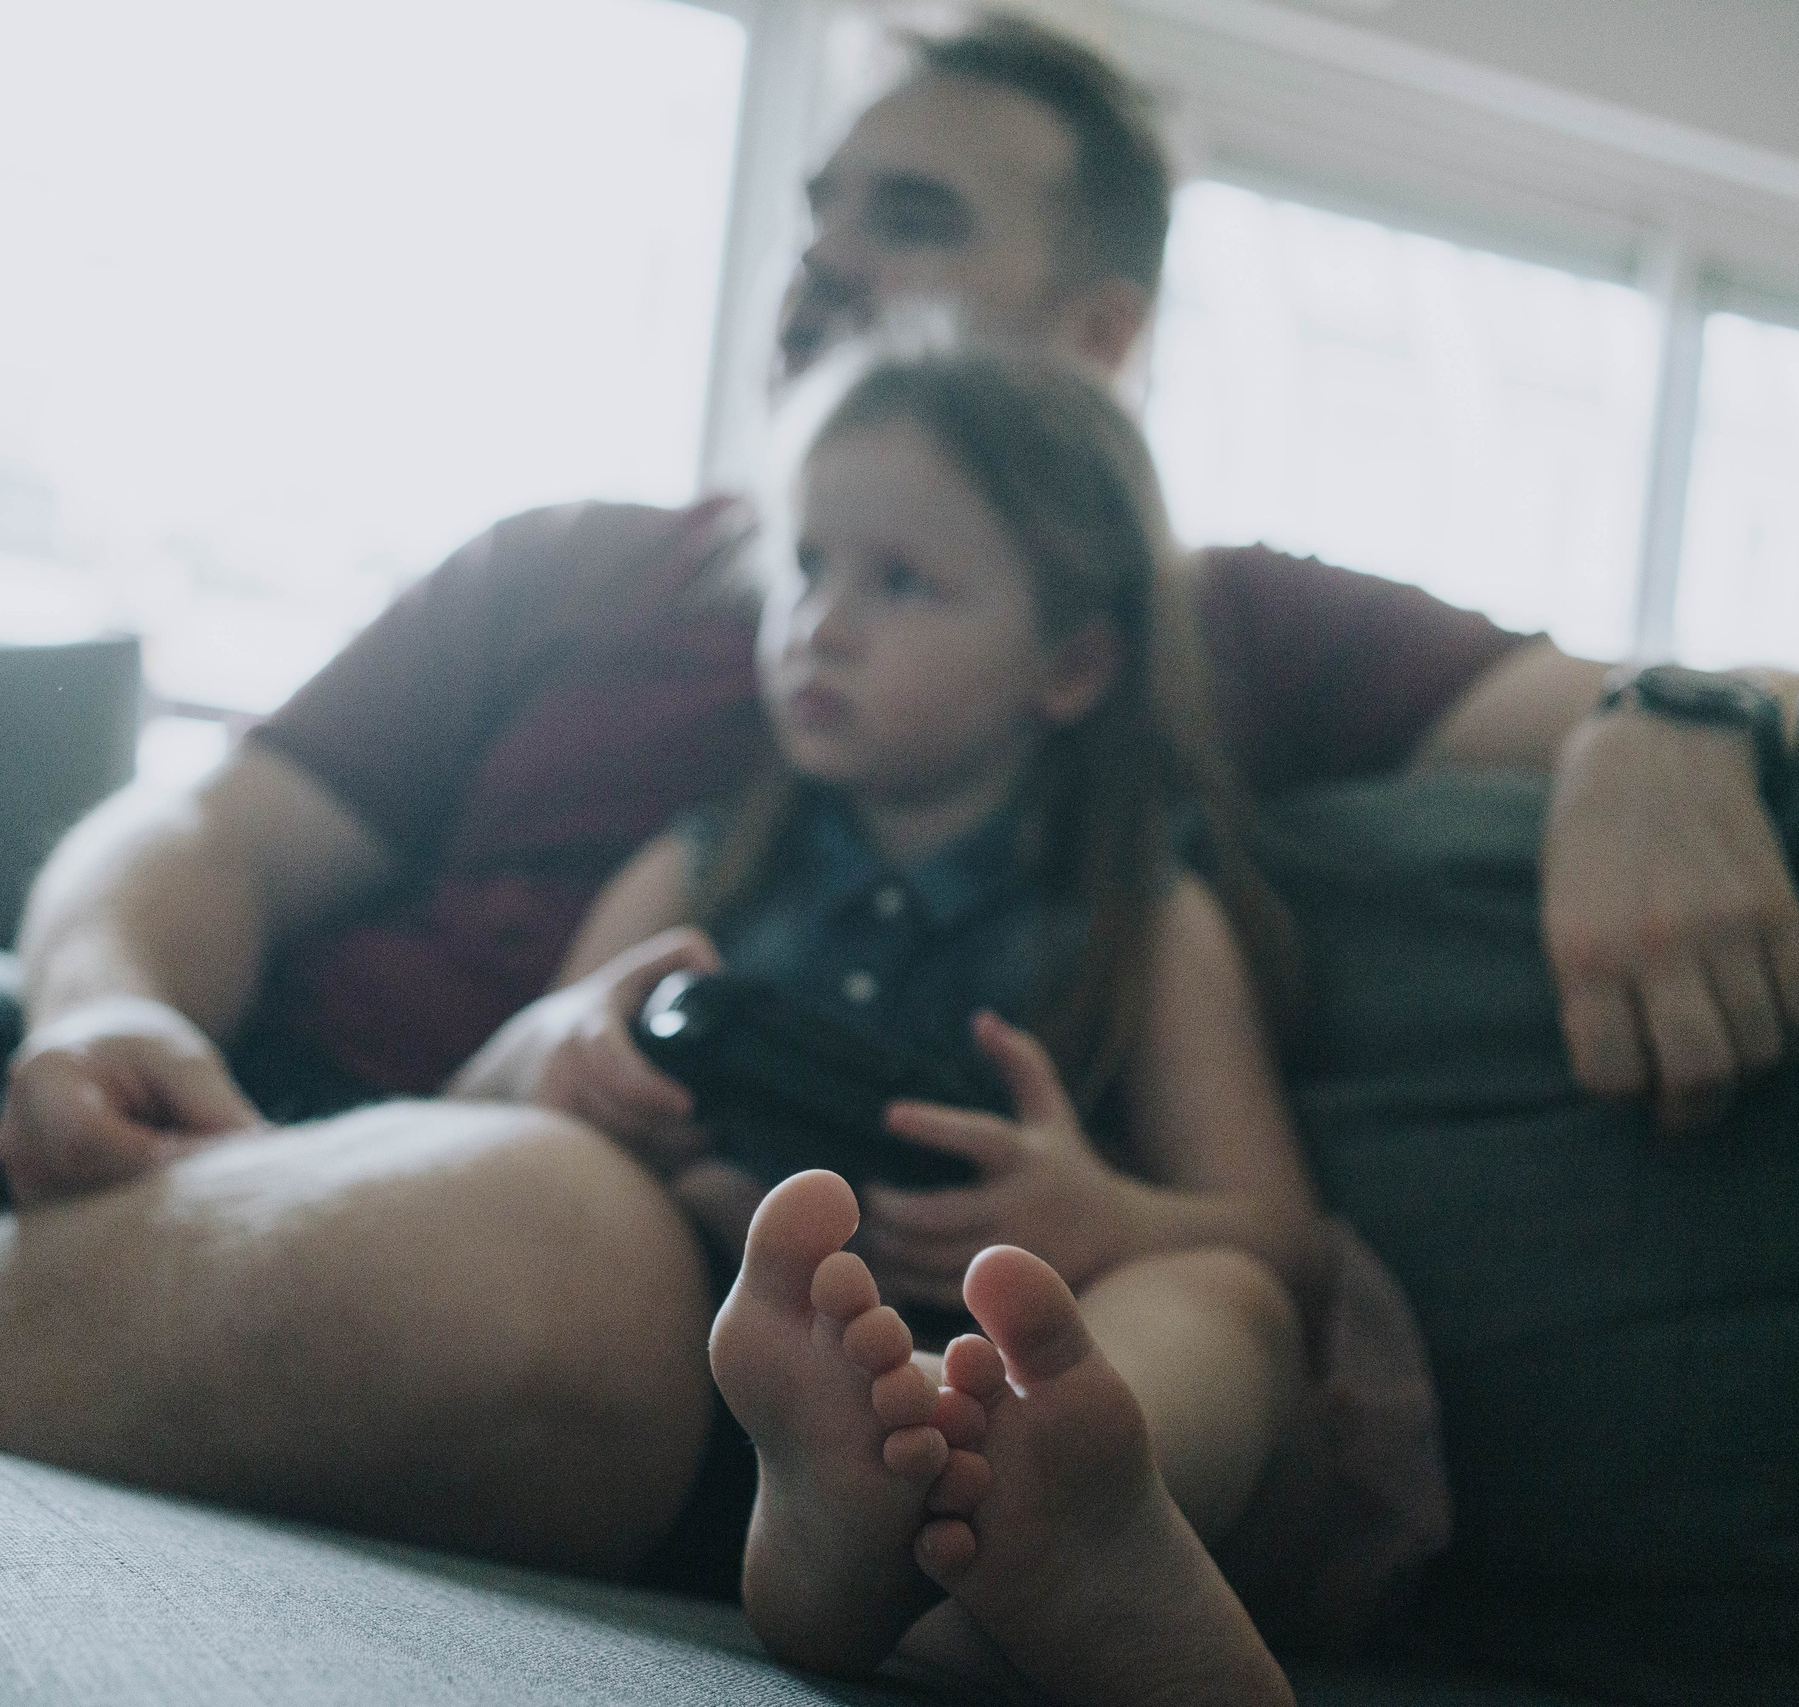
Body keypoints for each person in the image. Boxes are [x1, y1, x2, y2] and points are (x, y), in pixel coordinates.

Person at [0, 10, 1799, 1627]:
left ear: (1096, 330)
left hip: (609, 1283)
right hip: (194, 1117)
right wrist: (90, 1005)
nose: (823, 262)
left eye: (911, 220)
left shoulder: (1176, 637)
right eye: (815, 209)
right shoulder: (578, 562)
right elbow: (196, 835)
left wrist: (1672, 719)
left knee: (547, 1249)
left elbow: (1707, 701)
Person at [489, 346, 1340, 1703]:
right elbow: (488, 1111)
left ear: (1069, 666)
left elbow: (1284, 1241)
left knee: (1223, 1303)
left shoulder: (1143, 915)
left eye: (899, 582)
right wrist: (559, 1061)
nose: (820, 621)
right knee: (591, 1208)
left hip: (1028, 1355)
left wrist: (1111, 1218)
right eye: (808, 566)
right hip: (722, 1407)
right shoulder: (702, 872)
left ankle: (1061, 1532)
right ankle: (849, 1543)